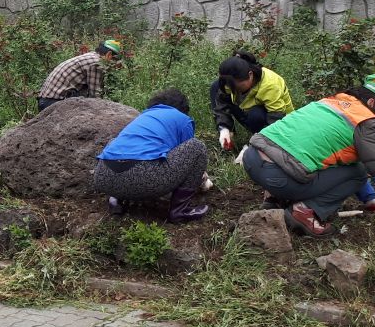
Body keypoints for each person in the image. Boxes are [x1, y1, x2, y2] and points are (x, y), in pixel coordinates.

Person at [242, 73, 375, 237]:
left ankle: (275, 200)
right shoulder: (366, 121)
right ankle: (305, 213)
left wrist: (370, 199)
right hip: (278, 175)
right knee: (358, 173)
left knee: (320, 159)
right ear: (371, 103)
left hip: (252, 159)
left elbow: (336, 159)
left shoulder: (333, 101)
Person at [93, 88, 210, 223]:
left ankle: (115, 198)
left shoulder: (143, 117)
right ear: (182, 108)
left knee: (115, 142)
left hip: (103, 177)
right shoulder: (183, 119)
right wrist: (202, 180)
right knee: (197, 147)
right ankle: (180, 210)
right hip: (142, 179)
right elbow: (187, 159)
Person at [211, 51, 294, 151]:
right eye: (232, 88)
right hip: (246, 112)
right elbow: (221, 102)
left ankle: (259, 140)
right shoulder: (231, 83)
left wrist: (253, 147)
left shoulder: (270, 85)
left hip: (278, 122)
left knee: (256, 114)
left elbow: (276, 121)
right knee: (216, 87)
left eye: (239, 88)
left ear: (250, 75)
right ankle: (230, 134)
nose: (237, 92)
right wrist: (224, 128)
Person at [38, 39, 123, 111]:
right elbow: (95, 96)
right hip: (53, 102)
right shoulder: (97, 63)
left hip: (46, 99)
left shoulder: (92, 56)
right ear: (109, 55)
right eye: (115, 60)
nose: (114, 64)